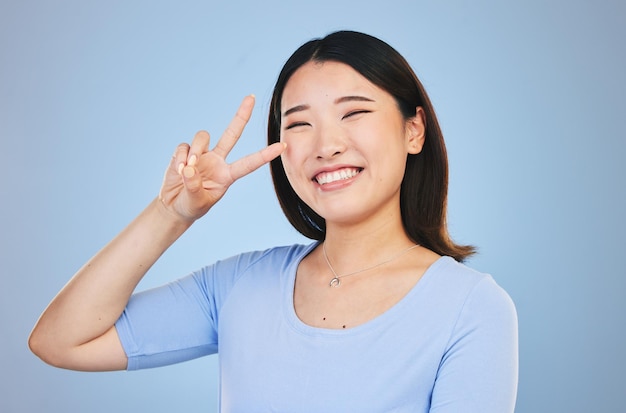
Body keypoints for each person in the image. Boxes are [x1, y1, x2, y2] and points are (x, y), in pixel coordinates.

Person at [29, 30, 518, 412]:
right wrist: (170, 215)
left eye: (354, 113)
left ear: (414, 130)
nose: (326, 145)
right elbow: (58, 340)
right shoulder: (240, 285)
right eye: (299, 123)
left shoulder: (471, 309)